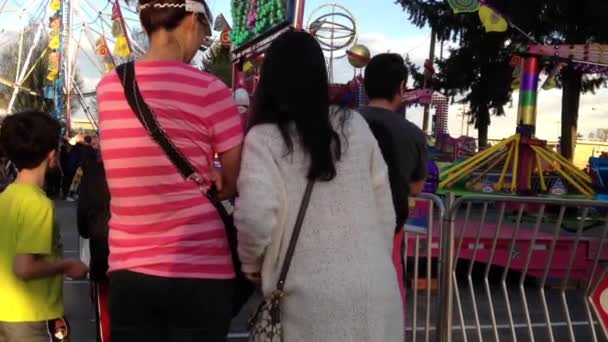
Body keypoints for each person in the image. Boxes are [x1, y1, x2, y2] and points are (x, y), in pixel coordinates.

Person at [234, 31, 404, 341]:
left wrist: (252, 263)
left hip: (309, 305)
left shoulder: (264, 139)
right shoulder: (355, 126)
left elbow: (256, 217)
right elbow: (385, 212)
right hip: (378, 296)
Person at [96, 0, 244, 340]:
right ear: (192, 20)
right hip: (201, 271)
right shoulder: (211, 90)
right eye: (206, 30)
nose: (202, 40)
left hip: (129, 272)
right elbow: (235, 179)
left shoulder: (109, 88)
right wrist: (217, 179)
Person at [0, 111, 89, 342]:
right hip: (33, 316)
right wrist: (67, 264)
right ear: (51, 155)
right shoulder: (39, 205)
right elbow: (25, 268)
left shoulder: (6, 197)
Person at [359, 53, 429, 311]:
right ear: (401, 87)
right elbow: (416, 187)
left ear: (366, 85)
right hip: (389, 228)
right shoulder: (411, 134)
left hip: (341, 225)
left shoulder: (343, 124)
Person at [77, 152, 111, 342]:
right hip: (153, 260)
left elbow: (83, 220)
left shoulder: (95, 173)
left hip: (105, 253)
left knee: (107, 322)